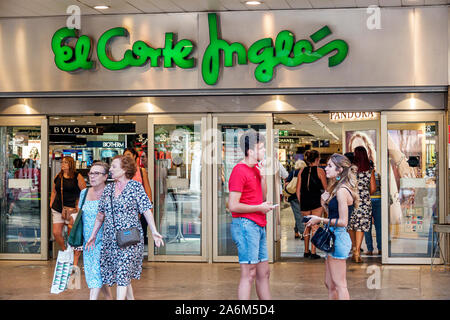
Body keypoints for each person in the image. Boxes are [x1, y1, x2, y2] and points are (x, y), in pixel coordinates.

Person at [85, 155, 164, 300]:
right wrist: (93, 234)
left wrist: (154, 231)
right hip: (110, 238)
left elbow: (146, 209)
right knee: (122, 273)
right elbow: (100, 215)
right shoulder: (108, 189)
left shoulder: (135, 187)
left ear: (124, 169)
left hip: (129, 238)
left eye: (114, 166)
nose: (111, 170)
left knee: (122, 273)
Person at [228, 129, 274, 300]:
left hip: (258, 224)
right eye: (261, 148)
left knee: (264, 272)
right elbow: (233, 205)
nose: (264, 152)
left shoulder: (256, 168)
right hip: (246, 225)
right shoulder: (239, 171)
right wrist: (258, 208)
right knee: (249, 274)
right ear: (250, 151)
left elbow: (263, 196)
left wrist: (263, 178)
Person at [305, 153, 359, 300]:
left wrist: (319, 218)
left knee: (340, 284)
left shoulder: (342, 191)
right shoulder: (338, 189)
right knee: (329, 283)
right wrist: (324, 204)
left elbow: (343, 222)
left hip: (338, 238)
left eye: (330, 166)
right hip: (333, 237)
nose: (326, 168)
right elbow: (334, 216)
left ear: (339, 170)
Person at [80, 161, 113, 300]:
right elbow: (80, 216)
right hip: (88, 241)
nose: (92, 176)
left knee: (97, 271)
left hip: (104, 240)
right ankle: (109, 298)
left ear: (105, 177)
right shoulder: (84, 193)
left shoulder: (110, 193)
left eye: (97, 173)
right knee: (95, 272)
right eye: (91, 173)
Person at [49, 156, 86, 266]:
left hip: (72, 209)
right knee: (56, 232)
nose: (63, 164)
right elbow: (54, 191)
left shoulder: (77, 176)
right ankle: (65, 251)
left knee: (71, 235)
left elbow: (84, 191)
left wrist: (79, 205)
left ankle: (73, 256)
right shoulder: (58, 176)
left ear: (71, 164)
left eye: (66, 162)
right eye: (62, 162)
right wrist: (51, 203)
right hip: (58, 208)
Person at [296, 150, 327, 259]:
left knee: (307, 227)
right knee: (315, 226)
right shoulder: (320, 171)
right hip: (316, 201)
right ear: (317, 159)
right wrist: (325, 202)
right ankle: (313, 252)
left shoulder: (301, 171)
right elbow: (326, 188)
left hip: (304, 201)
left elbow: (297, 190)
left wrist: (301, 202)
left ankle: (306, 251)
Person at [348, 146, 376, 263]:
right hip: (364, 202)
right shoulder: (370, 170)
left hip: (351, 200)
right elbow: (373, 188)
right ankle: (358, 252)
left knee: (351, 225)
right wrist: (364, 193)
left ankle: (354, 248)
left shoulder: (350, 170)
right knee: (360, 226)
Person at [123, 147, 153, 246]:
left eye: (128, 155)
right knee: (127, 231)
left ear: (134, 156)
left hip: (140, 206)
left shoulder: (141, 170)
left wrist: (149, 205)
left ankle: (139, 251)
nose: (126, 158)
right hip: (127, 206)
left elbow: (147, 188)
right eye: (125, 155)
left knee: (141, 230)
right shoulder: (122, 171)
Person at [285, 160, 307, 239]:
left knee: (298, 214)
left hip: (293, 196)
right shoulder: (306, 172)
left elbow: (287, 184)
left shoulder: (293, 172)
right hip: (304, 196)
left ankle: (296, 231)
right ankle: (303, 233)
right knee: (300, 214)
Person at [365, 160, 382, 256]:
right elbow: (383, 188)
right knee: (379, 226)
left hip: (367, 201)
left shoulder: (364, 175)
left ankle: (370, 249)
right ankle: (380, 249)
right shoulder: (378, 175)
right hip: (378, 201)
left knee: (367, 227)